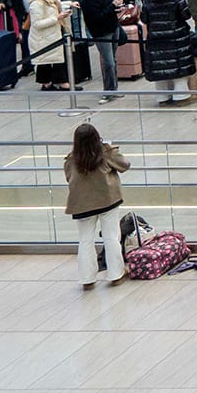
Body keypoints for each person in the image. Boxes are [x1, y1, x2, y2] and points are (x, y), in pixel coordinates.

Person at [63, 123, 129, 290]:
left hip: (81, 204)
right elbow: (125, 165)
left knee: (85, 240)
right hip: (108, 200)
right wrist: (109, 147)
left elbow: (68, 177)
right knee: (112, 236)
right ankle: (116, 274)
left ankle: (87, 279)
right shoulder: (105, 154)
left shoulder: (71, 160)